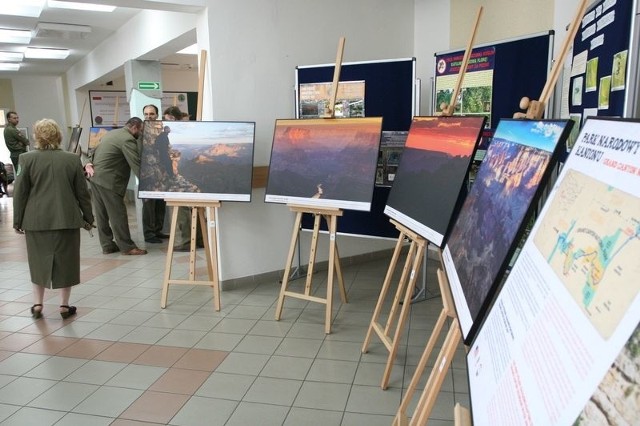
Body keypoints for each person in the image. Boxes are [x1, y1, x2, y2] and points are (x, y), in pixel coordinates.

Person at [12, 118, 94, 319]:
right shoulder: (72, 159)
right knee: (66, 261)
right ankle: (64, 306)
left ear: (36, 136)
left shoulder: (25, 159)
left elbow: (20, 193)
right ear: (59, 135)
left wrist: (18, 220)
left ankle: (38, 304)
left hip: (36, 221)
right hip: (67, 218)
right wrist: (88, 217)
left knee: (37, 261)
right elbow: (82, 193)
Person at [84, 117, 147, 255]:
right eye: (140, 131)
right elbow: (135, 163)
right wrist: (147, 185)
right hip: (109, 181)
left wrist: (88, 163)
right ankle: (127, 247)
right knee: (118, 214)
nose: (140, 134)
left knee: (101, 214)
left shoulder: (112, 133)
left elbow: (93, 152)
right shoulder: (127, 139)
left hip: (95, 178)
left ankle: (107, 245)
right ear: (135, 127)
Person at [141, 104, 168, 244]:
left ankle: (158, 230)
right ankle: (149, 234)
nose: (148, 116)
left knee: (160, 202)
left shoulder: (161, 129)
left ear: (156, 115)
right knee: (148, 204)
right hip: (146, 171)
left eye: (151, 114)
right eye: (146, 114)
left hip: (160, 170)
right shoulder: (140, 131)